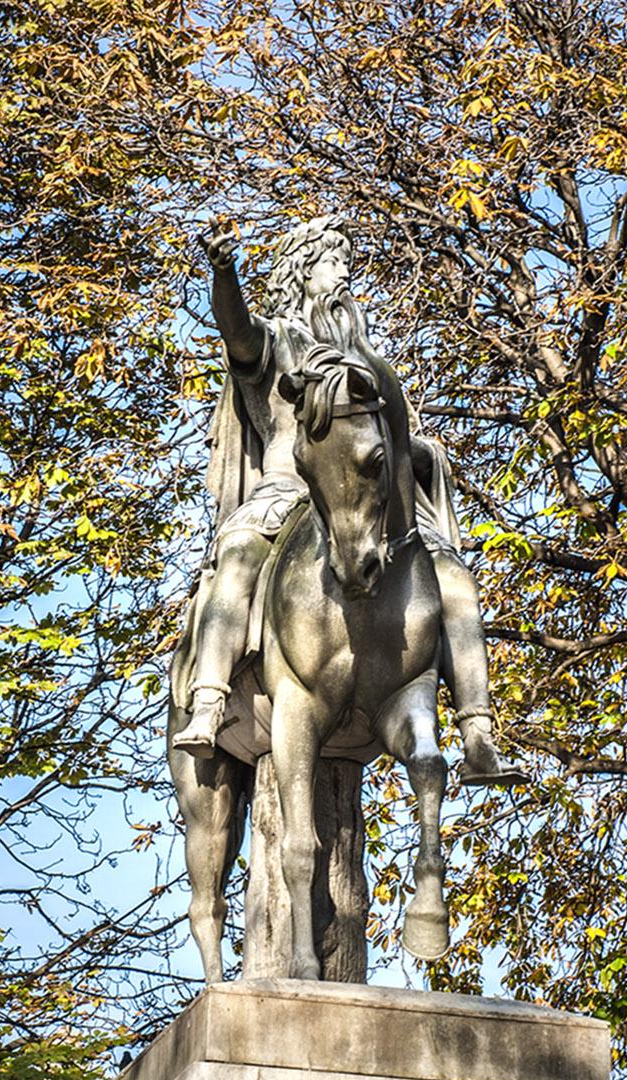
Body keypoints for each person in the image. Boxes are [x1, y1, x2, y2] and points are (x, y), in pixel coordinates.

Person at [172, 217, 525, 786]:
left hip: (374, 501)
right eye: (336, 264)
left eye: (347, 266)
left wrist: (418, 453)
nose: (346, 276)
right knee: (237, 555)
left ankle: (478, 731)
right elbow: (235, 329)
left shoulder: (368, 362)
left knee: (454, 577)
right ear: (304, 271)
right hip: (289, 489)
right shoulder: (278, 339)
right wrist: (223, 274)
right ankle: (210, 695)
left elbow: (392, 438)